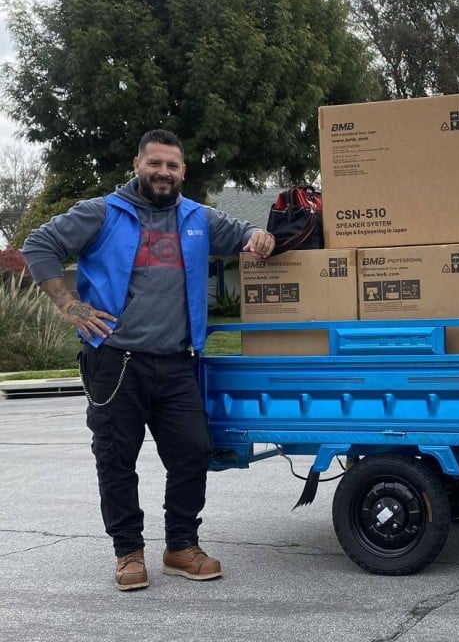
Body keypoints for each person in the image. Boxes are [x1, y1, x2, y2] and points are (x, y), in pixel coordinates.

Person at [21, 129, 276, 591]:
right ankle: (128, 553)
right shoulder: (102, 212)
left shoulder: (197, 217)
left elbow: (244, 234)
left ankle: (180, 546)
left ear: (183, 172)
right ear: (137, 165)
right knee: (116, 459)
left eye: (172, 166)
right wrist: (68, 304)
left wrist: (259, 234)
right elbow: (38, 245)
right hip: (115, 362)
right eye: (155, 164)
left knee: (192, 453)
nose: (163, 173)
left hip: (177, 361)